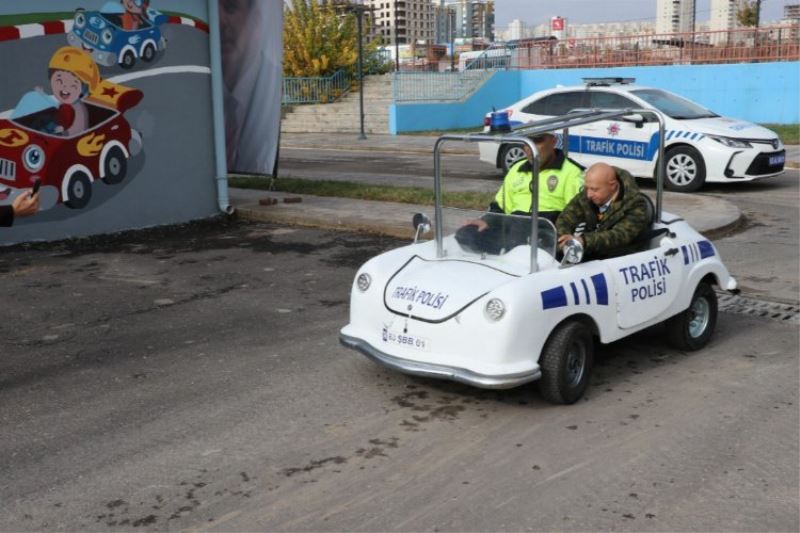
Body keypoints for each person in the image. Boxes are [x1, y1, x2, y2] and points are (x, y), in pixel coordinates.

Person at [456, 132, 584, 254]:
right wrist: (487, 220)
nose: (530, 147)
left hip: (546, 232)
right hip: (513, 228)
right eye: (527, 141)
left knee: (535, 241)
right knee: (466, 235)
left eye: (537, 141)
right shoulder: (516, 169)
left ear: (553, 141)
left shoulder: (572, 172)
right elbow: (500, 205)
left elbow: (578, 215)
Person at [556, 162, 650, 261]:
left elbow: (619, 236)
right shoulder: (589, 193)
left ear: (613, 186)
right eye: (587, 188)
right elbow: (566, 217)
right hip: (592, 254)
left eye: (594, 189)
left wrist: (584, 240)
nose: (588, 195)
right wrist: (564, 239)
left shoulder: (636, 204)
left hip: (623, 258)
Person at [45, 47, 100, 136]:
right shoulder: (63, 104)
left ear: (84, 90)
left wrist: (63, 129)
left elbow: (78, 132)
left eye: (73, 85)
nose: (64, 86)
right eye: (59, 80)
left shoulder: (78, 110)